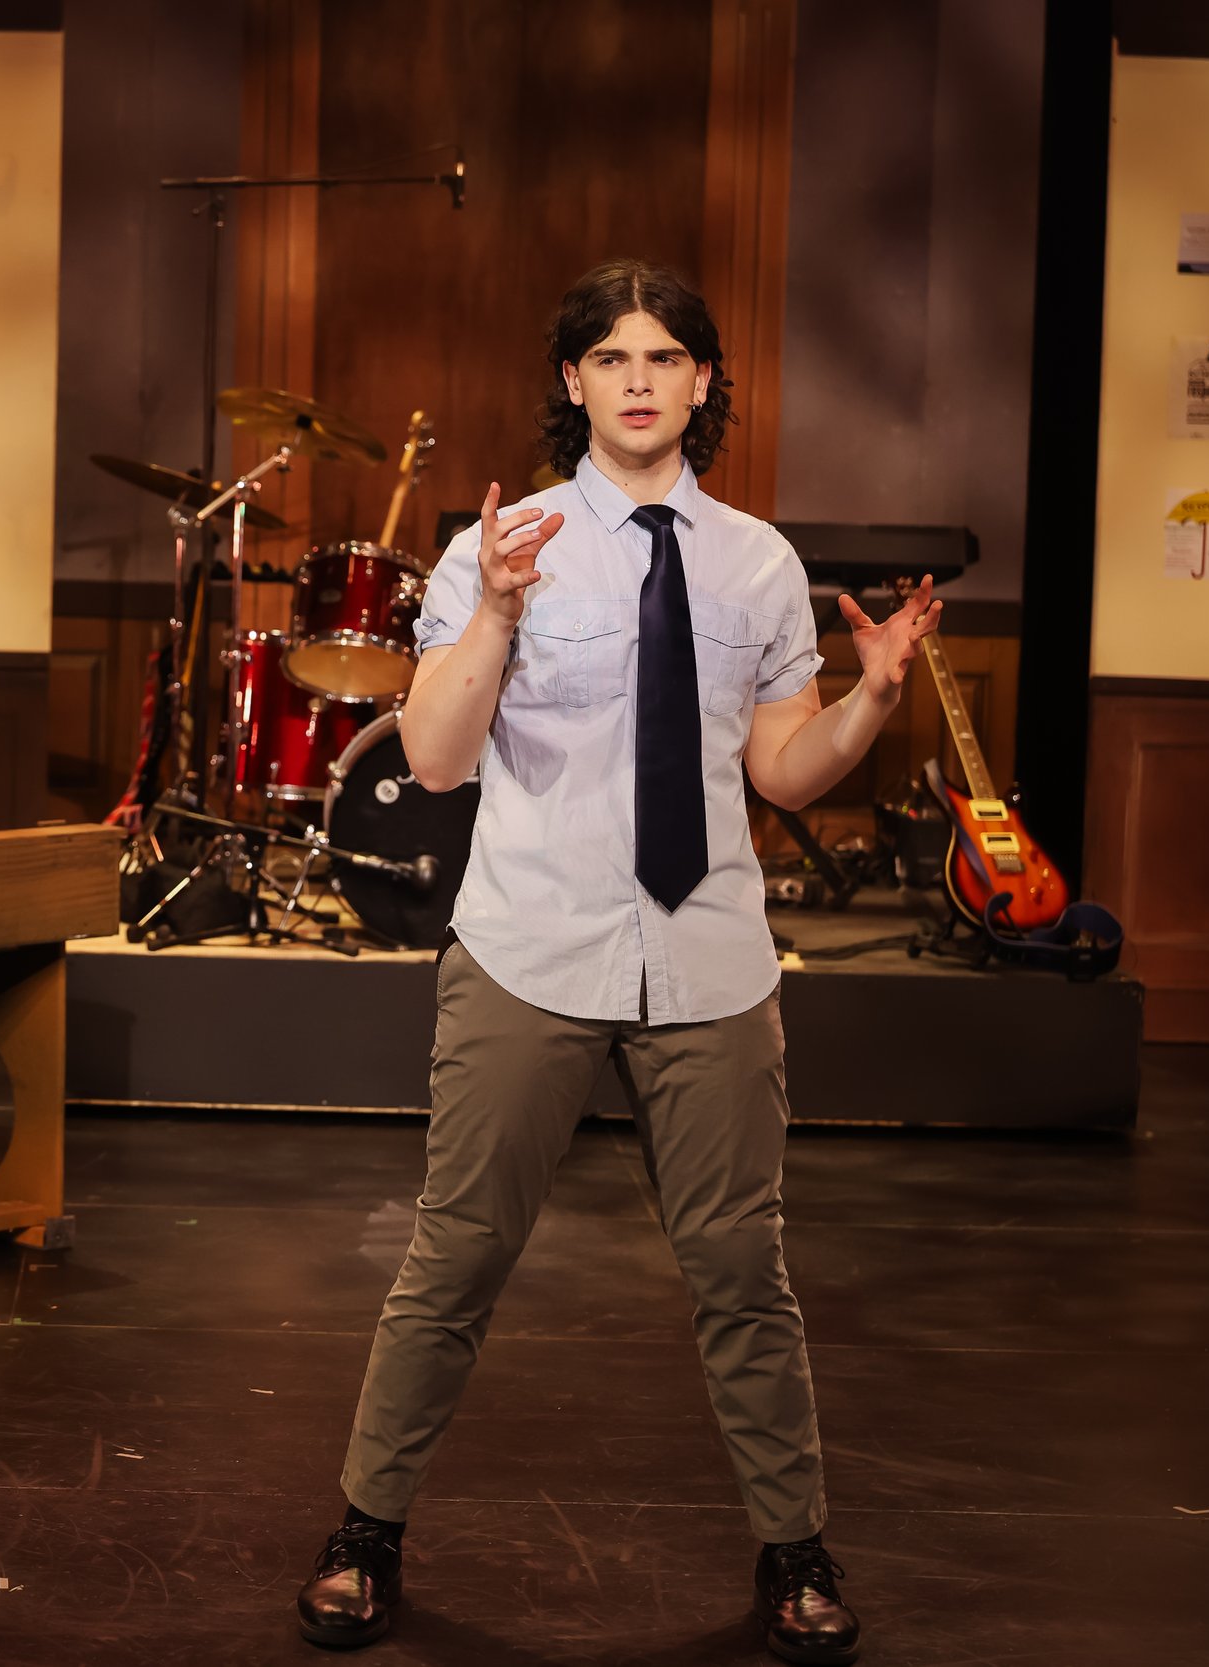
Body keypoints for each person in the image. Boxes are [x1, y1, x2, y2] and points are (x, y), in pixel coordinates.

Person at [295, 260, 940, 1664]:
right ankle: (364, 1528)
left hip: (708, 961)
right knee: (455, 1253)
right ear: (573, 382)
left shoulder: (758, 561)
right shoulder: (499, 545)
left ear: (702, 383)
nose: (638, 377)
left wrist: (875, 699)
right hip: (529, 944)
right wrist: (500, 613)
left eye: (665, 355)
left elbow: (783, 768)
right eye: (609, 355)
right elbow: (436, 755)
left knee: (740, 1270)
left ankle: (796, 1547)